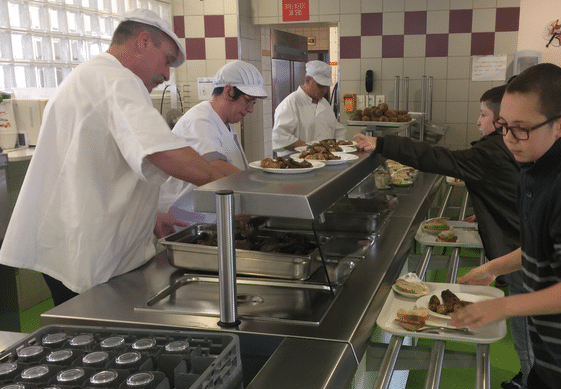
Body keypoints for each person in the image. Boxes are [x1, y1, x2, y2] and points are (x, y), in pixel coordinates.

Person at [0, 9, 224, 307]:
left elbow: (93, 164)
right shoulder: (116, 79)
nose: (166, 75)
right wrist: (236, 184)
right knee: (92, 338)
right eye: (167, 60)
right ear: (144, 41)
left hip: (68, 240)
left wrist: (147, 217)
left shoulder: (92, 75)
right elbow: (164, 152)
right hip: (83, 247)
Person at [354, 86, 532, 389]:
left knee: (527, 329)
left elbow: (436, 157)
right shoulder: (506, 149)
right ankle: (531, 375)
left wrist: (381, 142)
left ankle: (532, 380)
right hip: (519, 244)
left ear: (501, 120)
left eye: (483, 115)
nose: (478, 122)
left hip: (518, 252)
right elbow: (512, 190)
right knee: (530, 327)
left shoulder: (491, 151)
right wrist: (488, 211)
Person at [450, 63, 561, 389]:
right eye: (503, 126)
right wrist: (491, 269)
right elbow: (539, 247)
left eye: (520, 129)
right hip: (549, 350)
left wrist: (502, 306)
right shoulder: (535, 170)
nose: (508, 139)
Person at [157, 60, 267, 226]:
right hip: (186, 222)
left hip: (210, 216)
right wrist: (261, 188)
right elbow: (215, 167)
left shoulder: (224, 122)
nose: (250, 109)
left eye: (254, 102)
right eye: (248, 100)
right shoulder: (199, 120)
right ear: (228, 91)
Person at [271, 60, 346, 153]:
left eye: (326, 87)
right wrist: (310, 148)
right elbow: (280, 136)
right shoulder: (291, 103)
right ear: (307, 80)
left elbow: (336, 129)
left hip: (325, 160)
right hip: (298, 163)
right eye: (320, 86)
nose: (324, 90)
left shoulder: (324, 103)